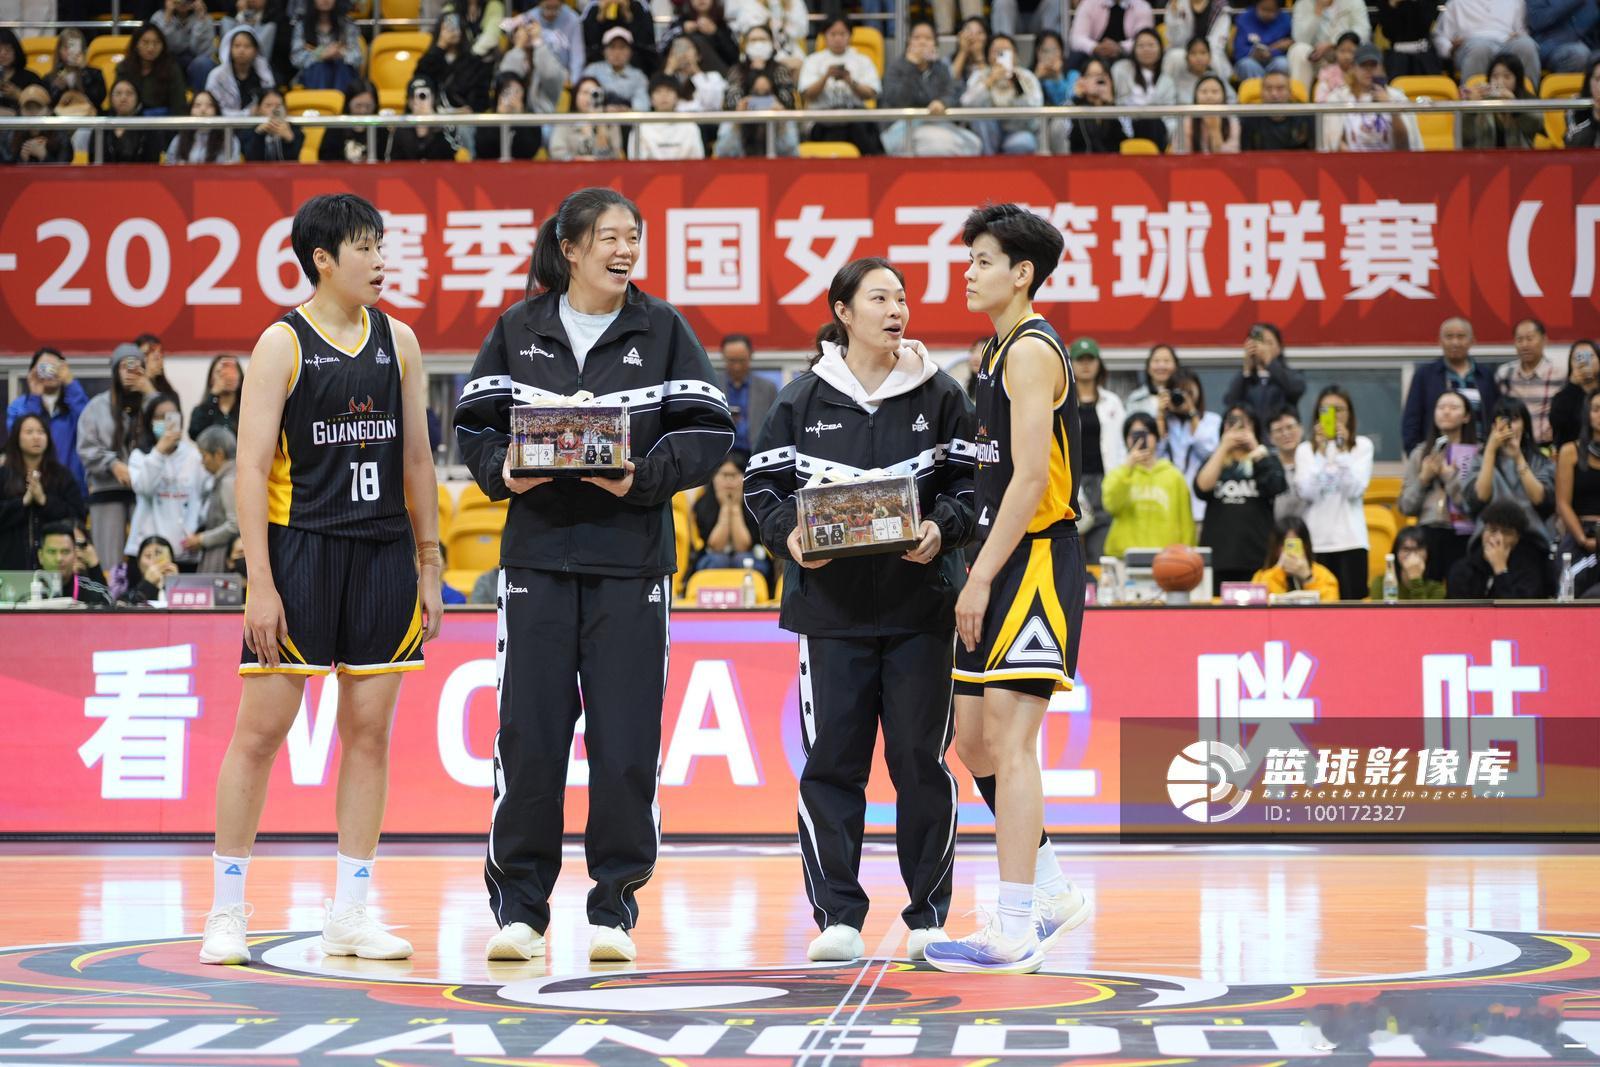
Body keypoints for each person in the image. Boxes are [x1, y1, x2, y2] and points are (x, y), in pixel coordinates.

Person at [452, 187, 734, 965]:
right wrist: (502, 470)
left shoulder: (663, 328)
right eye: (609, 236)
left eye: (633, 237)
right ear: (570, 248)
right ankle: (521, 911)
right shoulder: (517, 329)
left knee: (626, 744)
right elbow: (473, 424)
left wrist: (643, 477)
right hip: (536, 562)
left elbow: (711, 429)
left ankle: (614, 907)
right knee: (529, 741)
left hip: (632, 565)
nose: (624, 249)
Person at [201, 194, 443, 967]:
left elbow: (417, 459)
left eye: (381, 245)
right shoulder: (281, 344)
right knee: (260, 734)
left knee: (369, 734)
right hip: (300, 550)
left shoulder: (400, 341)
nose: (380, 260)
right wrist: (259, 582)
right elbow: (247, 468)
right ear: (324, 260)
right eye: (365, 247)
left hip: (382, 553)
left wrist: (430, 559)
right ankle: (226, 909)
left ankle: (350, 912)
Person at [743, 257, 975, 964]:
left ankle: (927, 915)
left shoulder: (942, 394)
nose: (896, 309)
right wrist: (787, 536)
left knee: (920, 764)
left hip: (921, 612)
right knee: (832, 764)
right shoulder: (800, 399)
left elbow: (971, 485)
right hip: (829, 615)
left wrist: (942, 527)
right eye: (879, 298)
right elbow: (761, 491)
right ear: (843, 312)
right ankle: (838, 915)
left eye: (902, 297)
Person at [924, 204, 1092, 975]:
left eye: (983, 260)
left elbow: (1029, 481)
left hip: (1034, 558)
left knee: (1014, 742)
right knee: (972, 738)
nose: (969, 272)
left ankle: (1017, 924)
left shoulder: (1028, 350)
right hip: (995, 553)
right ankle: (1051, 887)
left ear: (1022, 274)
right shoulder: (992, 351)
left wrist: (981, 575)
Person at [77, 344, 167, 569]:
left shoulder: (152, 403)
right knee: (109, 560)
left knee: (149, 555)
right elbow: (86, 448)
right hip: (106, 491)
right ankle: (108, 591)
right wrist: (112, 464)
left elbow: (171, 430)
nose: (130, 372)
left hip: (147, 493)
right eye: (124, 367)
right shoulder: (96, 407)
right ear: (115, 371)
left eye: (136, 367)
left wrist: (150, 392)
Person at [1295, 385, 1373, 599]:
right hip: (1316, 541)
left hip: (1351, 540)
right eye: (1326, 410)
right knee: (1315, 607)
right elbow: (1307, 493)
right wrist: (1321, 454)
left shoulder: (1362, 446)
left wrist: (1342, 450)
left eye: (1339, 409)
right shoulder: (1305, 450)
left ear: (1349, 414)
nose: (1334, 415)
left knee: (1352, 608)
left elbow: (1354, 489)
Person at [1197, 405, 1286, 592]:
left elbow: (1276, 485)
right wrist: (1223, 447)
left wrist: (1254, 448)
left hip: (1258, 557)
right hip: (1220, 558)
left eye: (1246, 423)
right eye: (1232, 422)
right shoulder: (1214, 461)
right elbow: (1202, 488)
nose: (1238, 428)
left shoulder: (1265, 459)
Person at [1398, 389, 1479, 581]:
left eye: (1453, 407)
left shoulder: (1477, 454)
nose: (1446, 412)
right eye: (1441, 407)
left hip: (1464, 533)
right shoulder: (1420, 453)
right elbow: (1406, 507)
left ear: (1466, 416)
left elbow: (1475, 504)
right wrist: (1423, 479)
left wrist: (1449, 477)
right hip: (1428, 533)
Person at [128, 394, 209, 569]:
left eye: (171, 416)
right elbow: (144, 487)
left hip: (185, 550)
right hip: (148, 550)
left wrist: (198, 531)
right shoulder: (140, 456)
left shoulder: (194, 455)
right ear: (150, 421)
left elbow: (207, 494)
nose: (166, 421)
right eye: (159, 417)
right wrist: (159, 452)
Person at [1102, 411, 1197, 557]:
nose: (1141, 439)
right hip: (1125, 556)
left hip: (1167, 559)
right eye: (1134, 434)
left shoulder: (1174, 476)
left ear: (1156, 437)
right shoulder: (1118, 474)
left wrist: (1188, 555)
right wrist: (1128, 467)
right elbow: (1111, 506)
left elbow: (1186, 523)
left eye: (1146, 433)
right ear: (1126, 440)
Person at [882, 18, 980, 157]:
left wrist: (942, 102)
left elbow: (952, 92)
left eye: (928, 38)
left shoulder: (940, 68)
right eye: (917, 38)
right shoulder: (896, 67)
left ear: (935, 44)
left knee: (974, 143)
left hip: (936, 122)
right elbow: (897, 99)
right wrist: (912, 67)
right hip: (903, 126)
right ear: (909, 42)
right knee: (938, 143)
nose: (922, 42)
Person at [0, 413, 86, 571]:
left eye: (41, 432)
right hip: (10, 564)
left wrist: (44, 500)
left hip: (54, 567)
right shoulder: (4, 475)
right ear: (17, 438)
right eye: (29, 432)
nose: (36, 437)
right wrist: (23, 502)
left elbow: (77, 516)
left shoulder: (62, 476)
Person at [1402, 317, 1500, 453]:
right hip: (1437, 454)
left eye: (1461, 337)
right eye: (1449, 337)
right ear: (1440, 341)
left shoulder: (1485, 375)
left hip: (1480, 454)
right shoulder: (1425, 375)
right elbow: (1412, 419)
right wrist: (1416, 454)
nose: (1455, 342)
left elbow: (1495, 415)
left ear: (1472, 341)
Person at [1467, 396, 1555, 545]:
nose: (1508, 427)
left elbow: (1540, 500)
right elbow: (1479, 498)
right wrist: (1490, 450)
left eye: (1514, 420)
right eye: (1502, 420)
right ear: (1493, 426)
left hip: (1530, 536)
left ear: (1524, 425)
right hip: (1488, 536)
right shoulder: (1478, 459)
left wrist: (1518, 457)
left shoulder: (1540, 461)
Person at [1068, 338, 1125, 562]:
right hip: (1074, 480)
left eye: (1090, 359)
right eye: (1080, 360)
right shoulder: (1062, 401)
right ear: (1070, 364)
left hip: (1105, 479)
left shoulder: (1113, 402)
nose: (1085, 365)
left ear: (1099, 364)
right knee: (1073, 551)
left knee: (1101, 552)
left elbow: (1121, 446)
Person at [7, 347, 88, 495]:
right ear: (32, 372)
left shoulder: (74, 404)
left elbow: (90, 426)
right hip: (27, 486)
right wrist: (35, 398)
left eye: (55, 367)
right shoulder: (19, 406)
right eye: (43, 367)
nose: (50, 371)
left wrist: (71, 384)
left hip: (71, 487)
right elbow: (18, 437)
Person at [798, 16, 883, 156]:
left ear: (850, 36)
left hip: (855, 117)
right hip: (822, 120)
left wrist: (850, 81)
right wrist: (825, 77)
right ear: (825, 36)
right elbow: (807, 94)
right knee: (845, 131)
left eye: (842, 34)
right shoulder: (813, 60)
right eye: (833, 34)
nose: (838, 39)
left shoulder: (862, 60)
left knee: (859, 126)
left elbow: (871, 93)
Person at [1319, 43, 1420, 151]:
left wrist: (1392, 108)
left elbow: (1405, 146)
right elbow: (1334, 145)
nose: (1369, 70)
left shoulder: (1397, 97)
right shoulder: (1339, 97)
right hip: (1353, 159)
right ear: (1353, 68)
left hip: (1391, 159)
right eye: (1363, 65)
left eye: (1373, 65)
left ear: (1381, 67)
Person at [1446, 499, 1554, 599]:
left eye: (1506, 532)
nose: (1498, 538)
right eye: (1492, 530)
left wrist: (1500, 570)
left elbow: (1518, 609)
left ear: (1517, 538)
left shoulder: (1528, 569)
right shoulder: (1463, 569)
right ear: (1483, 533)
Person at [961, 34, 1044, 156]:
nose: (1001, 55)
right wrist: (989, 82)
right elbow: (966, 103)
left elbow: (1036, 108)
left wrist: (1016, 85)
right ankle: (989, 165)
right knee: (981, 120)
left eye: (1006, 51)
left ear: (1015, 55)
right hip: (988, 132)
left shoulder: (1026, 77)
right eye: (996, 51)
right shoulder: (980, 76)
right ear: (988, 55)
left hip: (1017, 131)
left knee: (1024, 142)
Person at [1156, 369, 1220, 524]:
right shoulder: (1163, 421)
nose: (1183, 398)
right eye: (1178, 393)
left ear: (1199, 393)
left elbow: (1209, 452)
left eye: (1189, 393)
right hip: (1165, 504)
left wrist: (1192, 414)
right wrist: (1160, 417)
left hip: (1199, 506)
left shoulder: (1212, 420)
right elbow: (1154, 456)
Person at [1553, 389, 1600, 596]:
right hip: (1580, 530)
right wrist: (1582, 539)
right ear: (1587, 414)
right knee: (1571, 585)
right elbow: (1563, 503)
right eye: (1596, 409)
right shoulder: (1569, 451)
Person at [1433, 0, 1543, 88]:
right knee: (1480, 48)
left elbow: (1522, 31)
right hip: (1471, 44)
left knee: (1527, 45)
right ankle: (1473, 103)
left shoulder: (1515, 2)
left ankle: (1528, 101)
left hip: (1506, 43)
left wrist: (1518, 35)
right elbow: (1440, 36)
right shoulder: (1456, 3)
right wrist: (1450, 49)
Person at [1494, 318, 1560, 448]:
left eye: (1530, 339)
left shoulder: (1560, 374)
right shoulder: (1504, 373)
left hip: (1546, 446)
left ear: (1544, 340)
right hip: (1511, 445)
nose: (1524, 345)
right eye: (1519, 340)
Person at [1224, 324, 1305, 425]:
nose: (1263, 347)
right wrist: (1246, 369)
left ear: (1279, 348)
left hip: (1279, 431)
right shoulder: (1245, 378)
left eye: (1269, 343)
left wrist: (1269, 362)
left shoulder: (1290, 375)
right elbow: (1231, 402)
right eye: (1259, 342)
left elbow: (1295, 390)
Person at [417, 10, 494, 111]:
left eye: (456, 25)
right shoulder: (431, 59)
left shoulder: (474, 63)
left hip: (464, 117)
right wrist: (440, 45)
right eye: (447, 26)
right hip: (434, 114)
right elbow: (420, 79)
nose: (453, 30)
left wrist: (470, 109)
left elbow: (481, 97)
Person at [1462, 52, 1542, 148]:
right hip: (1485, 156)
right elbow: (1464, 136)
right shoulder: (1481, 100)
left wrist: (1515, 106)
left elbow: (1536, 126)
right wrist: (1471, 108)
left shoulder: (1526, 99)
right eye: (1495, 76)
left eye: (1507, 76)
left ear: (1517, 80)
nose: (1500, 82)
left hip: (1518, 155)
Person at [190, 426, 240, 574]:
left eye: (204, 456)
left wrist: (202, 539)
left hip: (222, 557)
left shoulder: (228, 481)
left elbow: (235, 525)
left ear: (218, 454)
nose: (202, 462)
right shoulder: (230, 476)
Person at [499, 13, 571, 115]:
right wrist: (519, 46)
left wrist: (538, 41)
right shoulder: (510, 57)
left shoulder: (546, 55)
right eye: (521, 29)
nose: (527, 32)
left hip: (543, 119)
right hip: (513, 116)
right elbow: (508, 76)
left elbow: (551, 74)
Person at [1289, 0, 1371, 89]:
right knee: (1298, 50)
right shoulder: (1303, 4)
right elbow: (1300, 39)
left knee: (1356, 50)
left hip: (1345, 53)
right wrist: (1317, 12)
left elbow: (1364, 33)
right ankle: (1299, 95)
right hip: (1316, 57)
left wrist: (1334, 43)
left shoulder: (1354, 2)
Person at [1254, 516, 1340, 600]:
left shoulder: (1323, 575)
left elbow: (1329, 603)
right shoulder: (1261, 577)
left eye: (1295, 544)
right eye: (1286, 544)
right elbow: (1263, 603)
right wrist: (1278, 571)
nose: (1290, 551)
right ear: (1275, 547)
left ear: (1306, 546)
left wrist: (1308, 578)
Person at [1108, 28, 1166, 150]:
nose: (1146, 49)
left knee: (1153, 122)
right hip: (1127, 123)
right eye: (1141, 46)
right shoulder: (1121, 69)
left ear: (1160, 48)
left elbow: (1170, 115)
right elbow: (1113, 98)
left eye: (1151, 45)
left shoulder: (1167, 78)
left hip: (1157, 128)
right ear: (1134, 49)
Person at [718, 334, 777, 453]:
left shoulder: (767, 389)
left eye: (741, 360)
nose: (737, 367)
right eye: (731, 361)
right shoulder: (712, 387)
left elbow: (775, 426)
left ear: (750, 356)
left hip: (756, 454)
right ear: (723, 357)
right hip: (720, 454)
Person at [116, 22, 189, 117]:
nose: (151, 48)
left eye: (156, 43)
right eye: (145, 42)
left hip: (163, 122)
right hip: (130, 120)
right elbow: (117, 100)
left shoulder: (171, 69)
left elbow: (179, 105)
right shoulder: (124, 68)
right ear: (136, 45)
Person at [292, 0, 363, 93]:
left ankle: (339, 99)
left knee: (340, 66)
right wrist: (321, 55)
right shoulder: (302, 26)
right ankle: (323, 100)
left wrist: (341, 54)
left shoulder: (347, 24)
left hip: (342, 72)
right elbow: (296, 58)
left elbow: (358, 57)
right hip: (313, 74)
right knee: (321, 67)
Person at [546, 76, 625, 160]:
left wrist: (601, 126)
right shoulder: (565, 121)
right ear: (576, 95)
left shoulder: (610, 122)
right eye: (585, 92)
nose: (589, 98)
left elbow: (615, 155)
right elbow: (556, 152)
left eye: (594, 94)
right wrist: (577, 159)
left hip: (602, 167)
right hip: (572, 167)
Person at [35, 520, 112, 607]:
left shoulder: (98, 596)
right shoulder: (26, 593)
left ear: (75, 554)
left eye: (65, 551)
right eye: (52, 552)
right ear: (40, 556)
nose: (59, 558)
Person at [628, 75, 705, 159]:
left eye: (669, 91)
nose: (664, 96)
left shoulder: (690, 126)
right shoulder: (641, 128)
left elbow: (697, 159)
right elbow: (635, 161)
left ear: (677, 97)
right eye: (658, 91)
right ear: (651, 99)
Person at [205, 25, 272, 116]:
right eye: (237, 46)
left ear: (255, 50)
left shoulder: (264, 73)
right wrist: (247, 114)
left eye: (247, 46)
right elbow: (212, 108)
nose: (241, 50)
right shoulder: (217, 75)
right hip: (223, 123)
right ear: (230, 49)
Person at [1240, 66, 1314, 147]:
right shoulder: (1249, 119)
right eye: (1268, 88)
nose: (1274, 94)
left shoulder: (1305, 117)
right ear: (1261, 93)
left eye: (1280, 88)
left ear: (1290, 92)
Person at [387, 76, 458, 161]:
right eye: (414, 97)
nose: (419, 101)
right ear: (408, 101)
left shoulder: (445, 124)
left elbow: (453, 152)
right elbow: (393, 161)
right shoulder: (401, 128)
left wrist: (435, 124)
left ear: (433, 98)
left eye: (423, 96)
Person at [476, 72, 543, 160]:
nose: (511, 97)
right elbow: (484, 150)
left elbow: (530, 151)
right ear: (498, 95)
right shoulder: (486, 119)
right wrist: (500, 118)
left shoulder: (531, 120)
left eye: (516, 92)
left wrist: (519, 118)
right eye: (506, 92)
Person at [1067, 57, 1128, 154]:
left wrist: (1111, 104)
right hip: (1080, 160)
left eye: (1100, 76)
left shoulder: (1118, 106)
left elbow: (1129, 134)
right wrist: (1076, 98)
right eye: (1090, 75)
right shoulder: (1074, 105)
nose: (1095, 81)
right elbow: (1062, 131)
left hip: (1113, 160)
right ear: (1082, 79)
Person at [151, 0, 217, 90]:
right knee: (161, 64)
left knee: (203, 63)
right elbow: (161, 49)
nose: (183, 2)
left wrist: (201, 21)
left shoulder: (205, 18)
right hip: (168, 61)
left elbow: (203, 52)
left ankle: (201, 98)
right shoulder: (158, 17)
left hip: (194, 64)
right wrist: (167, 20)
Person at [1069, 0, 1156, 68]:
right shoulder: (1089, 4)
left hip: (1126, 56)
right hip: (1094, 55)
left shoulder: (1142, 7)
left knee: (1144, 53)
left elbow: (1144, 39)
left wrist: (1120, 47)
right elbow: (1076, 38)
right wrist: (1095, 47)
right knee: (1076, 57)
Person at [582, 26, 651, 112]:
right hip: (597, 118)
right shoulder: (592, 71)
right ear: (604, 51)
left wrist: (625, 111)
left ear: (630, 51)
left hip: (628, 119)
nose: (617, 52)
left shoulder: (639, 77)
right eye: (612, 47)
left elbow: (643, 106)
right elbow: (583, 101)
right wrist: (604, 110)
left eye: (622, 47)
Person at [319, 81, 391, 163]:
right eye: (358, 105)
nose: (363, 111)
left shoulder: (382, 130)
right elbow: (325, 159)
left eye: (368, 106)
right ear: (348, 104)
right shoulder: (335, 128)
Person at [1162, 0, 1233, 81]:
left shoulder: (1221, 7)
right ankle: (1167, 88)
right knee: (1174, 56)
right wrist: (1174, 15)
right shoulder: (1177, 3)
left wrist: (1200, 53)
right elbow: (1175, 40)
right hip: (1184, 49)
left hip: (1211, 51)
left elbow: (1217, 43)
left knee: (1215, 60)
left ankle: (1218, 87)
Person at [1370, 524, 1446, 600]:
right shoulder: (1381, 584)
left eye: (1418, 549)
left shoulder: (1436, 589)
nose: (1412, 555)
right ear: (1396, 553)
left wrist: (1415, 579)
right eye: (1406, 549)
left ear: (1427, 553)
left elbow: (1421, 608)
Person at [582, 0, 659, 74]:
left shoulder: (639, 7)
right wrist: (600, 16)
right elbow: (590, 43)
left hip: (634, 63)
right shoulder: (594, 8)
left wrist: (628, 15)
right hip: (600, 62)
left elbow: (645, 42)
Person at [664, 0, 740, 75]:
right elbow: (662, 47)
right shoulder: (681, 22)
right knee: (683, 42)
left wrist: (715, 32)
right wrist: (682, 29)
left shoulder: (721, 24)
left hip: (716, 74)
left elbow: (734, 57)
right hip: (682, 72)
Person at [166, 90, 242, 164]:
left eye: (209, 105)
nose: (203, 110)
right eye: (197, 105)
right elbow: (169, 167)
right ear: (190, 111)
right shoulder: (178, 140)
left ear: (216, 111)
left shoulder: (230, 140)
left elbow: (234, 169)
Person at [1171, 73, 1241, 153]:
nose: (1209, 96)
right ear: (1195, 96)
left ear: (1224, 96)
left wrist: (1215, 131)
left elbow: (1230, 156)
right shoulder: (1186, 123)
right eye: (1204, 92)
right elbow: (1181, 154)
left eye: (1215, 92)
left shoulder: (1232, 123)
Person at [1551, 339, 1600, 448]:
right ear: (1570, 364)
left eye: (1589, 356)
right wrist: (1572, 385)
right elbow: (1557, 425)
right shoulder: (1563, 396)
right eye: (1578, 358)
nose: (1584, 362)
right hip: (1571, 453)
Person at [1378, 0, 1445, 77]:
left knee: (1430, 76)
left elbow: (1425, 25)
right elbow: (1388, 32)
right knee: (1396, 70)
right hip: (1397, 54)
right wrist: (1392, 5)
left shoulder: (1427, 3)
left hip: (1424, 51)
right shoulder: (1386, 3)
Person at [104, 78, 165, 164]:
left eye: (129, 93)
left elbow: (153, 162)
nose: (123, 98)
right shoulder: (101, 127)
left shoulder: (150, 129)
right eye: (118, 93)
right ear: (111, 98)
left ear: (137, 98)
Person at [44, 29, 106, 112]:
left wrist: (85, 71)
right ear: (59, 51)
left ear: (82, 50)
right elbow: (47, 105)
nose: (70, 52)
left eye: (74, 48)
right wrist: (57, 89)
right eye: (66, 48)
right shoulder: (50, 78)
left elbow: (98, 99)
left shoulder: (95, 74)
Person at [187, 355, 245, 442]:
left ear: (239, 377)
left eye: (232, 371)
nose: (227, 376)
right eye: (220, 372)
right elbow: (194, 433)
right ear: (211, 378)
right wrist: (213, 394)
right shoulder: (204, 409)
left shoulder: (246, 409)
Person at [1232, 0, 1294, 80]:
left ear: (1278, 9)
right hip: (1251, 59)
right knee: (1247, 64)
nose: (1266, 14)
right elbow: (1238, 50)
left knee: (1283, 63)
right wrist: (1252, 53)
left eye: (1271, 10)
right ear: (1256, 6)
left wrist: (1272, 51)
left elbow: (1289, 45)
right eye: (1263, 9)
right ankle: (1259, 88)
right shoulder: (1244, 18)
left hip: (1274, 60)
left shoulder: (1286, 20)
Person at [240, 88, 305, 162]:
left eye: (278, 106)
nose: (274, 110)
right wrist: (258, 134)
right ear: (258, 109)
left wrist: (289, 139)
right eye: (268, 105)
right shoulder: (247, 131)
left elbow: (294, 161)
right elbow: (251, 159)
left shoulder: (295, 130)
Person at [1268, 405, 1308, 522]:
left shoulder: (1314, 462)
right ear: (1270, 437)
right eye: (1278, 430)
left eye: (1290, 427)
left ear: (1301, 429)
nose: (1285, 433)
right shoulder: (1267, 469)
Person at [119, 534, 180, 606]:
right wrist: (147, 584)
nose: (154, 561)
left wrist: (175, 583)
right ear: (138, 561)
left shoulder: (182, 589)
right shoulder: (127, 592)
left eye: (161, 556)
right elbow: (121, 607)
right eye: (148, 556)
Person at [1126, 343, 1180, 417]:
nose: (1161, 366)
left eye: (1167, 361)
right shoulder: (1136, 399)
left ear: (1176, 366)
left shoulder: (1183, 396)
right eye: (1156, 361)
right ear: (1148, 367)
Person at [1565, 55, 1600, 146]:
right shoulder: (1575, 104)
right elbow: (1571, 142)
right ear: (1589, 81)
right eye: (1597, 79)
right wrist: (1596, 119)